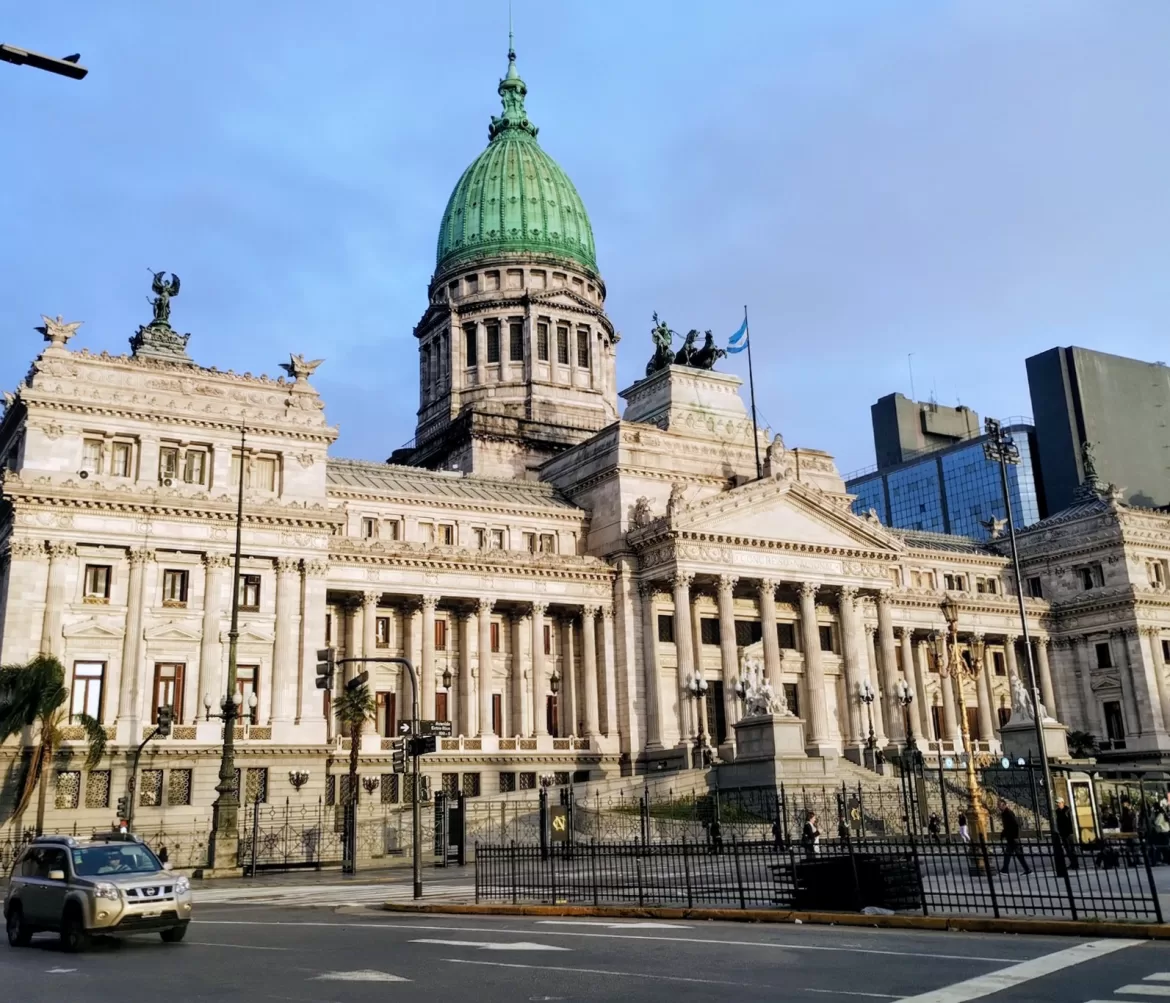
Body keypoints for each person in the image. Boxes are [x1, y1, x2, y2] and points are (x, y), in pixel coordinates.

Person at [999, 799, 1030, 875]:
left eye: (1000, 805)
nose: (998, 807)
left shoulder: (1008, 813)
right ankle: (1027, 869)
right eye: (998, 805)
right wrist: (1003, 834)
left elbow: (1015, 825)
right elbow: (1007, 827)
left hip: (1012, 837)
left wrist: (1014, 836)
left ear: (1004, 805)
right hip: (1011, 837)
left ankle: (1005, 870)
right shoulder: (1005, 813)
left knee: (1009, 854)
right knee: (1015, 854)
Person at [1054, 797, 1078, 871]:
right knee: (1067, 849)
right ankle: (1072, 862)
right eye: (1057, 803)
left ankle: (1075, 864)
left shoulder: (1067, 810)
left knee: (1071, 848)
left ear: (1063, 802)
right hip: (1063, 832)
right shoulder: (1057, 811)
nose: (1058, 804)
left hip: (1069, 832)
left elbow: (1071, 822)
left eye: (1059, 803)